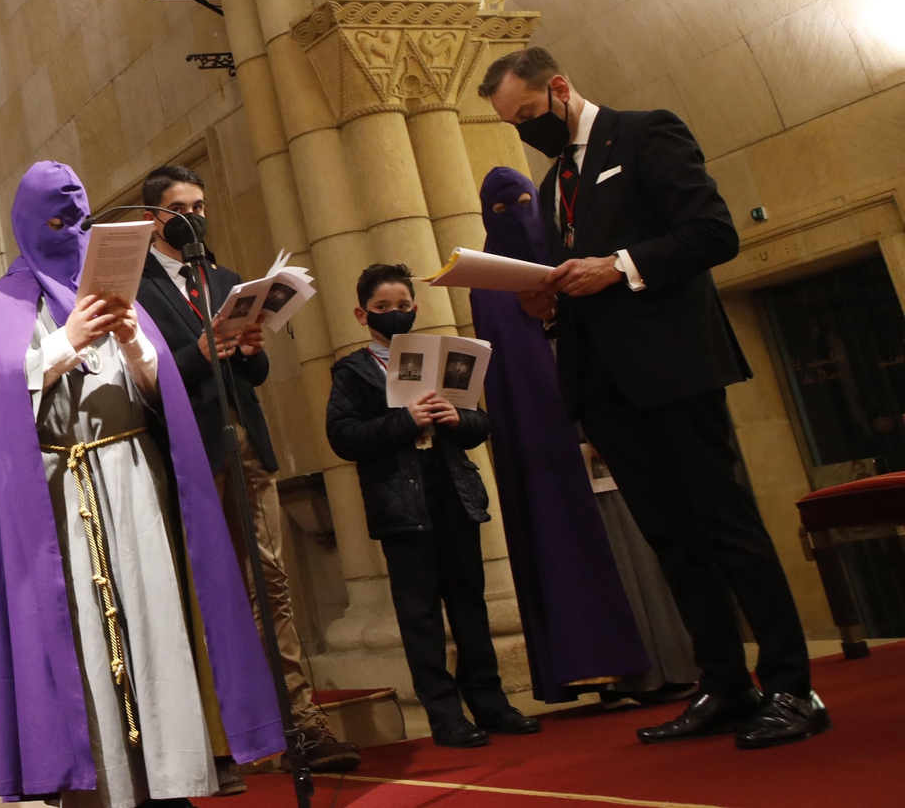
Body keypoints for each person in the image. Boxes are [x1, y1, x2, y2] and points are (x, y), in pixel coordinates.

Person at [481, 47, 828, 749]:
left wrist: (618, 266)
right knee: (672, 538)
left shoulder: (644, 133)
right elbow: (577, 280)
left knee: (728, 527)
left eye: (527, 115)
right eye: (512, 124)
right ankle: (724, 683)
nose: (526, 131)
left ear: (559, 87)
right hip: (605, 386)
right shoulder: (552, 186)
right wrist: (546, 300)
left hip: (675, 370)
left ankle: (792, 684)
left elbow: (711, 233)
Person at [0, 162, 284, 807]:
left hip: (134, 475)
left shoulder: (121, 295)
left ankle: (171, 782)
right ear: (27, 225)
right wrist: (65, 342)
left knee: (155, 621)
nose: (70, 236)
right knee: (80, 631)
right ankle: (103, 788)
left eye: (79, 222)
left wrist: (138, 344)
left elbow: (158, 393)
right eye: (56, 224)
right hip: (60, 489)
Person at [132, 164, 360, 776]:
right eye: (183, 208)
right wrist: (199, 353)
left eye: (202, 205)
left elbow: (252, 377)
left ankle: (301, 724)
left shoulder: (225, 279)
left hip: (246, 447)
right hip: (187, 455)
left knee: (271, 583)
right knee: (205, 591)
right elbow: (139, 382)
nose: (197, 217)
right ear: (155, 219)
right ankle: (215, 741)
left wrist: (251, 350)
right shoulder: (133, 288)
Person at [325, 264, 540, 748]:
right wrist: (405, 421)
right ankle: (444, 714)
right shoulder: (354, 370)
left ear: (415, 308)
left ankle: (490, 701)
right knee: (420, 612)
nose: (395, 314)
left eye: (403, 306)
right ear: (363, 314)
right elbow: (343, 437)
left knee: (469, 601)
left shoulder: (441, 358)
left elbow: (480, 425)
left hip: (451, 490)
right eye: (383, 308)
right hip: (400, 501)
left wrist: (455, 416)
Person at [473, 166, 657, 704]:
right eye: (502, 211)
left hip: (605, 420)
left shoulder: (574, 258)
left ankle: (658, 663)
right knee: (565, 542)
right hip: (546, 448)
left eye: (524, 203)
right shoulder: (489, 283)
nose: (517, 219)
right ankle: (590, 664)